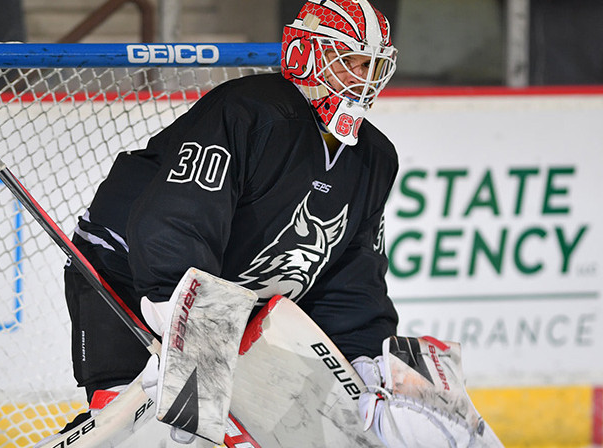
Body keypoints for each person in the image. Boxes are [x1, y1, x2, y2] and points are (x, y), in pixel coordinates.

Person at [58, 0, 407, 445]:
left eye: (372, 66)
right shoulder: (250, 112)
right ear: (306, 56)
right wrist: (179, 306)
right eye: (350, 63)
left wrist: (361, 353)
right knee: (131, 429)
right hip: (124, 270)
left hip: (222, 302)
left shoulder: (373, 157)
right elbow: (181, 213)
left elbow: (351, 270)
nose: (363, 78)